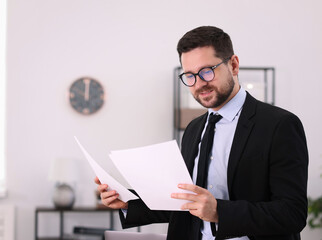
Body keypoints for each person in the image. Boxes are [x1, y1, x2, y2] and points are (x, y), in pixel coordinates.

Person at [95, 26, 308, 240]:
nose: (199, 84)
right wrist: (128, 203)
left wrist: (219, 212)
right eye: (190, 75)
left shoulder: (280, 125)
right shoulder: (194, 129)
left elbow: (292, 213)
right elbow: (183, 202)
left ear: (233, 65)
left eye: (207, 71)